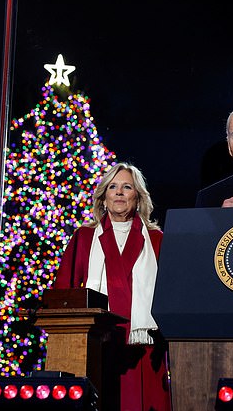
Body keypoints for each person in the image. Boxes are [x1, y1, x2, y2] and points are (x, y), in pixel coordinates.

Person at [54, 162, 171, 411]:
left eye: (127, 187)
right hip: (98, 344)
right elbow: (64, 293)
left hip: (145, 346)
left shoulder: (157, 240)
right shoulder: (84, 237)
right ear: (104, 197)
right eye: (113, 187)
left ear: (137, 197)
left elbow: (170, 294)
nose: (119, 192)